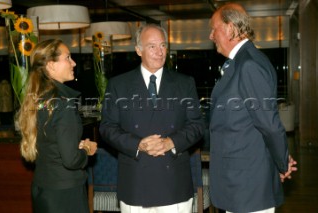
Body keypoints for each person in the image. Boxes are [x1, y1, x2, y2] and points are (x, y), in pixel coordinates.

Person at [99, 23, 205, 213]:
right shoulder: (118, 85)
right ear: (138, 50)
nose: (159, 51)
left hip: (174, 184)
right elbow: (107, 127)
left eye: (163, 45)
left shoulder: (184, 83)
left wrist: (170, 142)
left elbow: (197, 125)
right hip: (135, 183)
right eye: (152, 46)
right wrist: (138, 144)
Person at [208, 3, 297, 213]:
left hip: (247, 186)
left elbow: (269, 125)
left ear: (230, 29)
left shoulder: (249, 65)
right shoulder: (240, 62)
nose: (211, 36)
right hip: (239, 185)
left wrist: (282, 163)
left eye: (214, 29)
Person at [16, 39, 97, 213]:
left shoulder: (37, 98)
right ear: (51, 65)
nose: (73, 63)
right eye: (68, 58)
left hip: (43, 188)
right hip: (65, 193)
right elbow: (71, 160)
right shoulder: (63, 103)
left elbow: (51, 142)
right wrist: (87, 150)